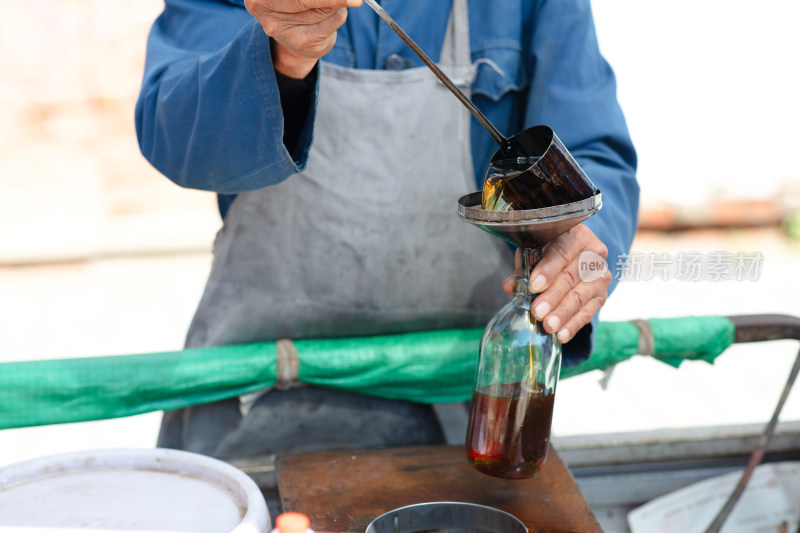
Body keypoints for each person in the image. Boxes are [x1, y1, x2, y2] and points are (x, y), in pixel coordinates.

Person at [135, 0, 639, 460]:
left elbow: (595, 160)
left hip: (467, 401)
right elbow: (174, 139)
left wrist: (585, 252)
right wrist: (280, 58)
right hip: (256, 393)